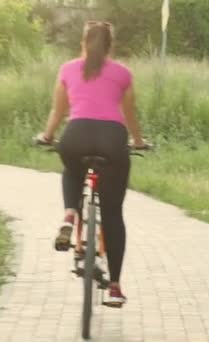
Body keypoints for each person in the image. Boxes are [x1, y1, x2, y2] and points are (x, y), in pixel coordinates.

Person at [36, 21, 147, 306]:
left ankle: (70, 213)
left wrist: (47, 136)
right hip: (112, 139)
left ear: (82, 43)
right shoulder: (123, 73)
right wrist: (138, 141)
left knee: (72, 168)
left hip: (76, 135)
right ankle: (114, 286)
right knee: (112, 214)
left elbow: (58, 111)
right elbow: (129, 114)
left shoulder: (68, 69)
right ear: (111, 46)